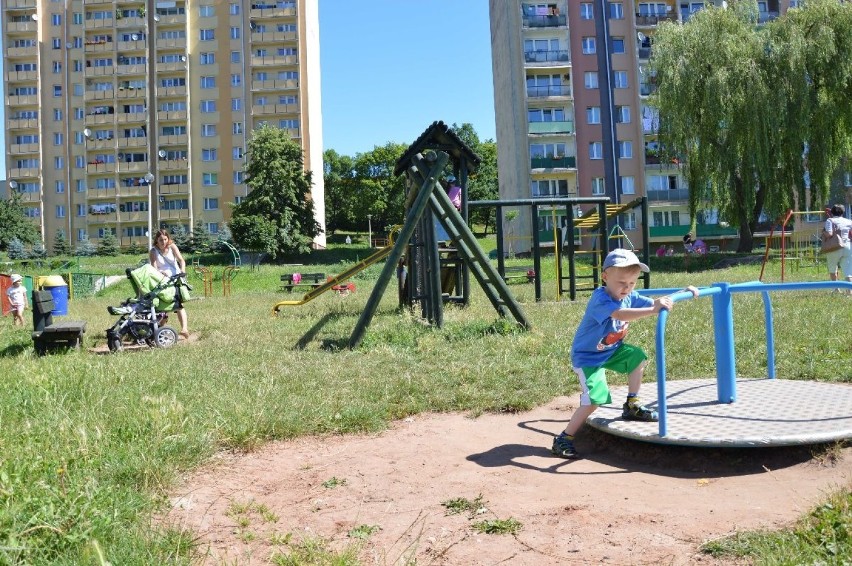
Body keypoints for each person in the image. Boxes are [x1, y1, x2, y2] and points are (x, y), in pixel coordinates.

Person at [551, 249, 699, 458]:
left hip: (612, 350)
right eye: (621, 283)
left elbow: (655, 304)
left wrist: (680, 292)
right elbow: (620, 313)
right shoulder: (600, 298)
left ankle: (632, 404)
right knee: (595, 399)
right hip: (588, 357)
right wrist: (652, 311)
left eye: (632, 283)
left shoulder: (630, 296)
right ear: (605, 276)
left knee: (637, 357)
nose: (626, 288)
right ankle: (564, 438)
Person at [149, 229, 190, 338]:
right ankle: (159, 331)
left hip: (176, 279)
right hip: (162, 281)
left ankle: (184, 329)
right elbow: (154, 267)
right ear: (156, 240)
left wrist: (183, 270)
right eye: (160, 240)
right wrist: (160, 272)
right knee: (163, 306)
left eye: (165, 239)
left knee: (179, 304)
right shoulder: (153, 251)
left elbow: (181, 260)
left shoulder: (172, 247)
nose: (163, 242)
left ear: (168, 239)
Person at [822, 204, 852, 292]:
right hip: (848, 246)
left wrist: (823, 232)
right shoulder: (849, 221)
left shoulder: (830, 220)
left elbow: (829, 234)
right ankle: (849, 291)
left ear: (832, 212)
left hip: (834, 247)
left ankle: (836, 289)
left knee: (833, 268)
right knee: (848, 272)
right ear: (843, 212)